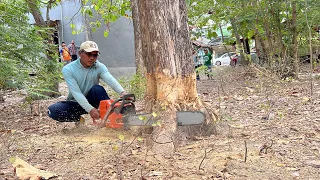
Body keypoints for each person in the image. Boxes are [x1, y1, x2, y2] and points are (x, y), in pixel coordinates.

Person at [48, 40, 128, 124]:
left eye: (95, 55)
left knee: (98, 89)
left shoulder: (99, 67)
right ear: (80, 53)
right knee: (53, 110)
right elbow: (76, 92)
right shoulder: (68, 69)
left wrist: (122, 92)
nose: (92, 57)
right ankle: (78, 119)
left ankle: (113, 118)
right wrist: (90, 109)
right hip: (76, 103)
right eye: (89, 54)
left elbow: (110, 79)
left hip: (92, 100)